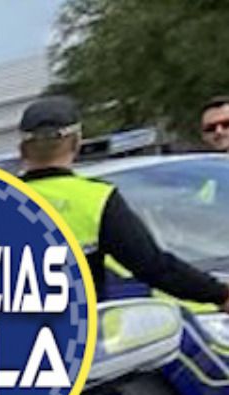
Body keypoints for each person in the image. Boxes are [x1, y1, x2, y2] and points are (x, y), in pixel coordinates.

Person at [15, 94, 229, 308]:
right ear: (76, 142)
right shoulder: (95, 199)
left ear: (22, 148)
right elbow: (154, 267)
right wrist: (220, 295)